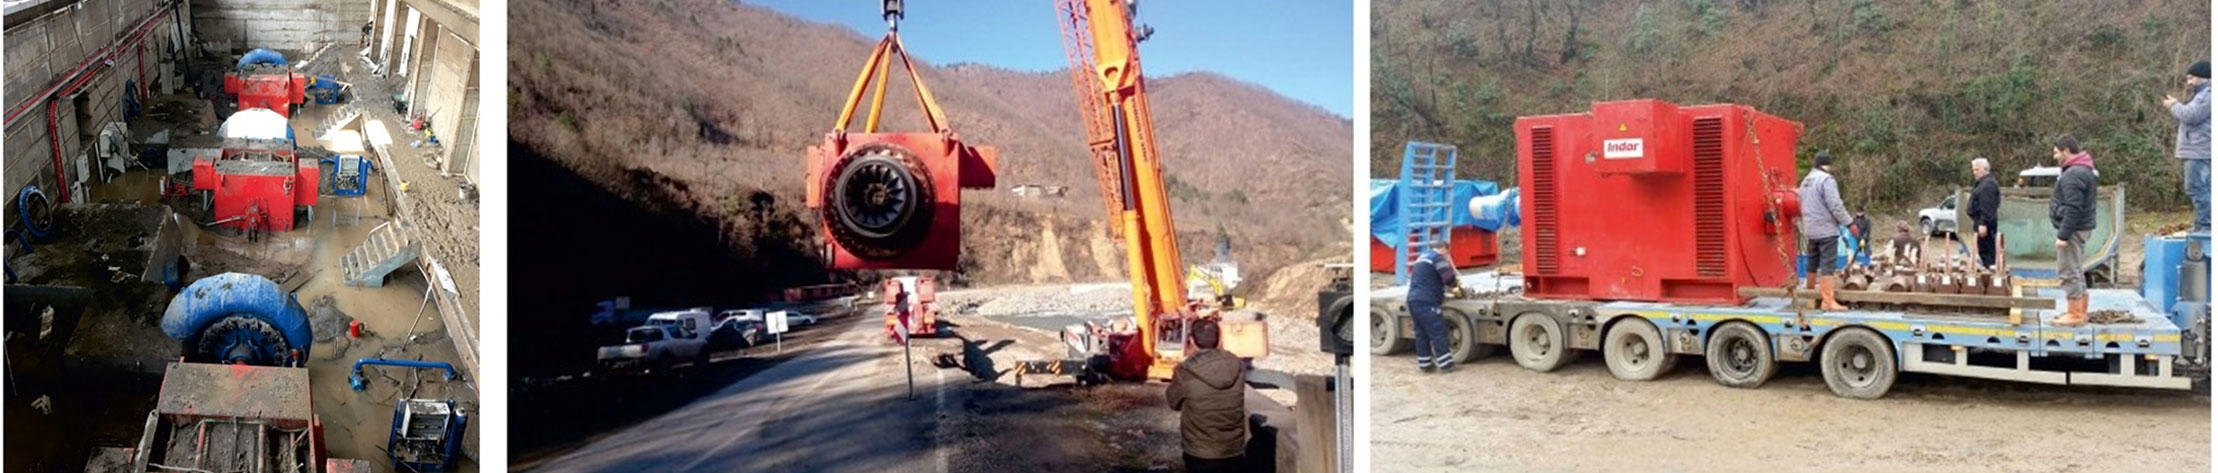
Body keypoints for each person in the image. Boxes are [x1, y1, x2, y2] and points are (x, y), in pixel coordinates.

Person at [1166, 319, 1247, 473]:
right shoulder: (1237, 365)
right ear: (1219, 340)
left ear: (1192, 341)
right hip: (1233, 448)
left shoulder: (1185, 371)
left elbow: (1173, 402)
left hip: (1199, 452)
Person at [2048, 134, 2098, 326]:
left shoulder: (2073, 174)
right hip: (2079, 227)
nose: (2055, 157)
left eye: (2056, 153)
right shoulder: (2082, 169)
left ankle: (2075, 314)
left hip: (2073, 230)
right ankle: (2079, 310)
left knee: (2068, 270)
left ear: (2066, 151)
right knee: (2076, 269)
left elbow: (2073, 208)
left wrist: (2063, 235)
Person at [1798, 150, 1851, 310]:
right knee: (1828, 264)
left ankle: (1810, 297)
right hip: (1826, 230)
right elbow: (1835, 205)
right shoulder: (1826, 180)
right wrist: (1849, 223)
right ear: (1827, 165)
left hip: (1810, 229)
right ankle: (1828, 301)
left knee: (1812, 262)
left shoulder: (1805, 181)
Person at [2165, 60, 2211, 233]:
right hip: (2199, 150)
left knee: (2196, 188)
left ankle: (2205, 226)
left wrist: (2174, 105)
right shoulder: (2201, 94)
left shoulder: (2207, 95)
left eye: (2191, 78)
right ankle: (2203, 224)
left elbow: (2191, 116)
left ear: (2202, 77)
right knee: (2202, 189)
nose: (2189, 82)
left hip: (2199, 151)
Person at [1406, 241, 1460, 372]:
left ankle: (1425, 365)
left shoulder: (1422, 257)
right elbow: (1448, 278)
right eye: (1447, 252)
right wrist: (1455, 284)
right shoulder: (1437, 258)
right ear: (1444, 248)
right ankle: (1447, 365)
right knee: (1438, 332)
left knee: (1421, 334)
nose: (1447, 255)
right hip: (1427, 301)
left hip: (1413, 299)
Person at [1967, 157, 2002, 269]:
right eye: (1973, 170)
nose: (1974, 173)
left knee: (1987, 253)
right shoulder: (1982, 183)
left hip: (1985, 226)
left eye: (1977, 170)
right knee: (1983, 252)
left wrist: (1983, 223)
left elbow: (1987, 206)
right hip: (1980, 223)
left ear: (1985, 169)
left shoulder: (1988, 185)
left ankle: (1991, 272)